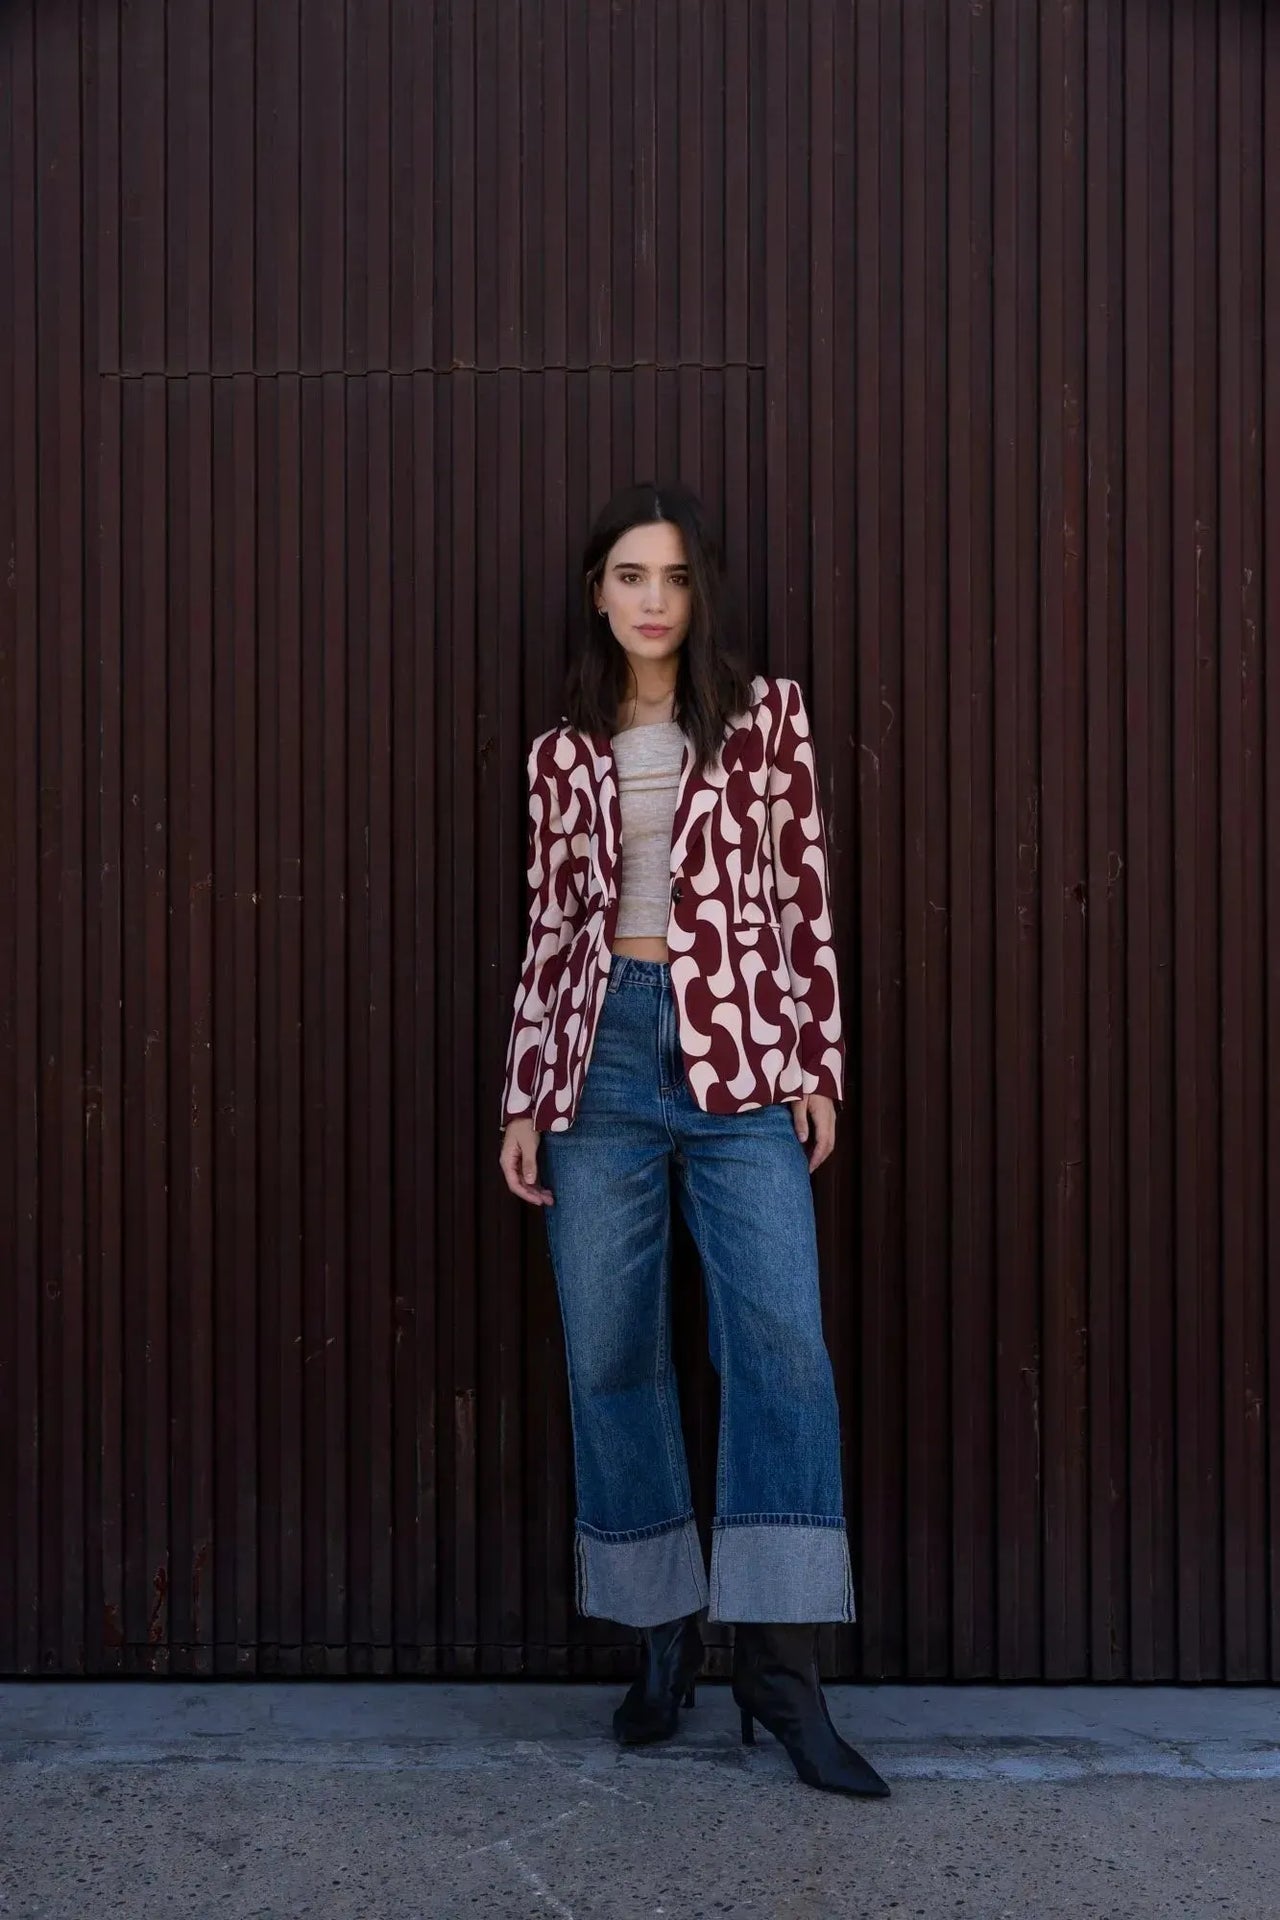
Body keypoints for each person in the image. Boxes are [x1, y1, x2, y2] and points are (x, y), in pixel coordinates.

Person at [498, 482, 888, 1800]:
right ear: (598, 594)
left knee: (780, 1342)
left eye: (671, 576)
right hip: (599, 1057)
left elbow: (802, 895)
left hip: (740, 1056)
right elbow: (551, 928)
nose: (652, 599)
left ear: (697, 591)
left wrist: (816, 1062)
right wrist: (525, 1093)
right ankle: (661, 1636)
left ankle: (781, 1670)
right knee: (610, 1353)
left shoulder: (764, 719)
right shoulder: (562, 752)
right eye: (629, 575)